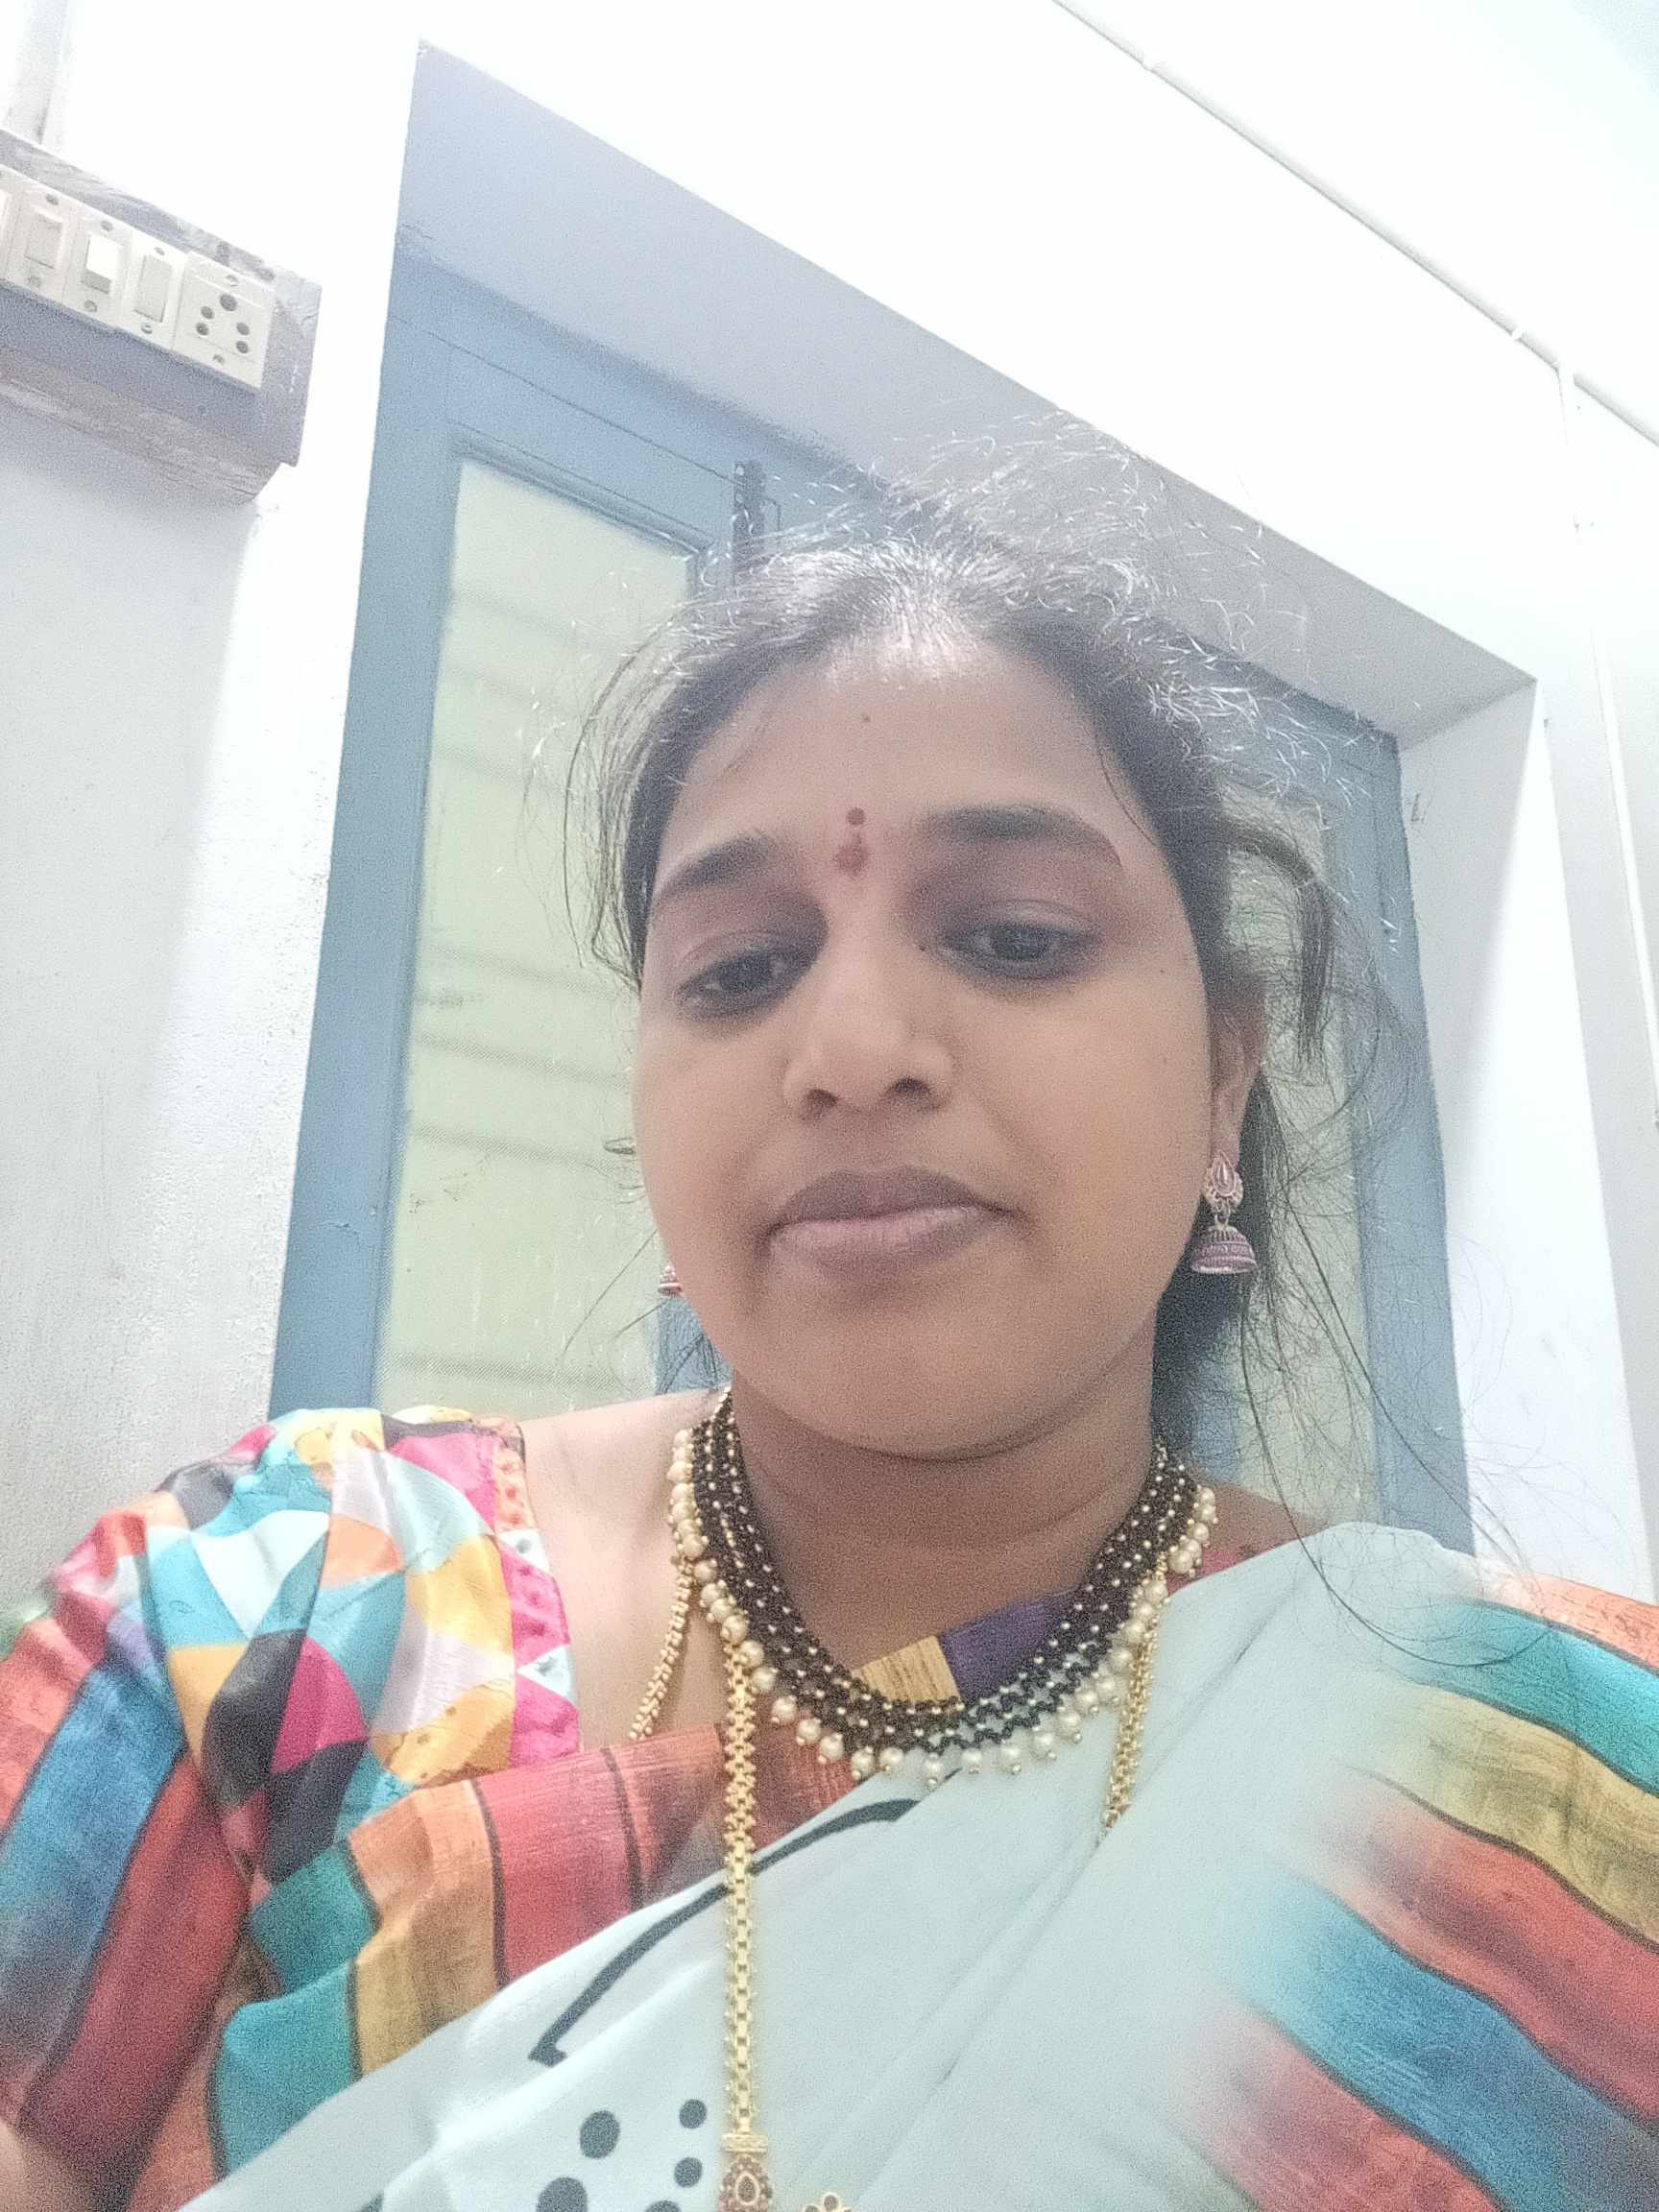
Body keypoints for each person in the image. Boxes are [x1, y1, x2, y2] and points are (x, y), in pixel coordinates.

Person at [2, 466, 1655, 2212]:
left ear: (1225, 1079)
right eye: (738, 970)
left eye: (1015, 937)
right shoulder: (274, 1612)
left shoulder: (1546, 1774)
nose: (854, 1048)